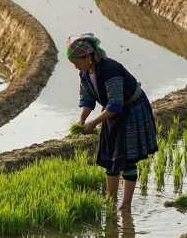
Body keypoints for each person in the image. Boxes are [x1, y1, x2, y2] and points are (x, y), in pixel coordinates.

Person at [67, 33, 158, 211]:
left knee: (127, 158)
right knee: (110, 157)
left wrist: (93, 123)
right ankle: (110, 200)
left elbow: (115, 104)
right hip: (111, 112)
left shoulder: (110, 70)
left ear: (87, 57)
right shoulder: (85, 73)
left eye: (76, 61)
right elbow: (87, 99)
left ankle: (125, 206)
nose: (75, 66)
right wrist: (82, 120)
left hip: (132, 109)